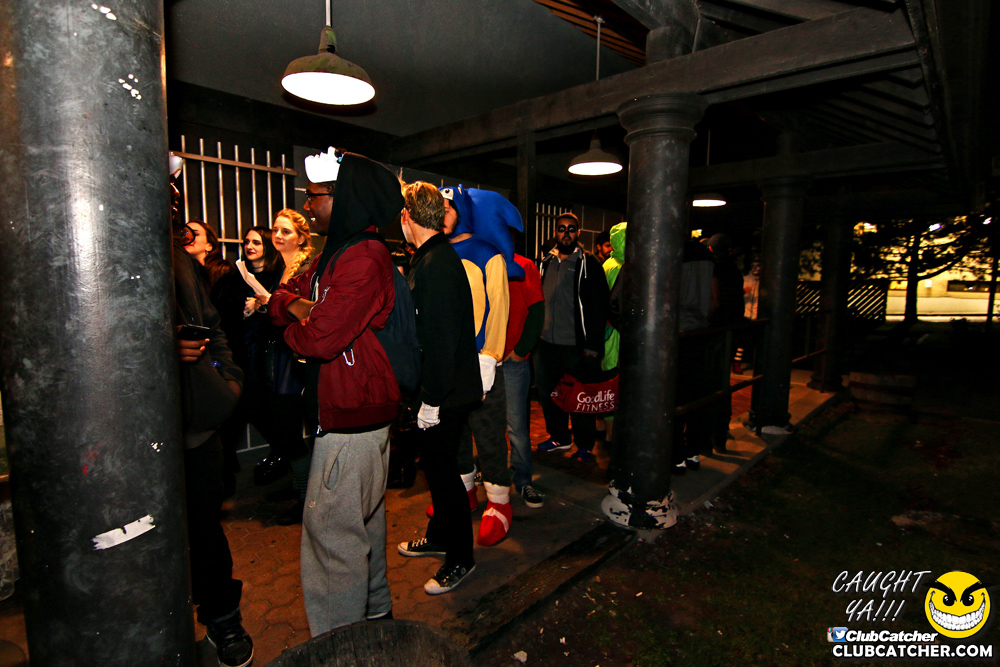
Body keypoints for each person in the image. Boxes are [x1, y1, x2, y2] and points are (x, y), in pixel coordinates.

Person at [268, 147, 402, 634]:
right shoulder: (337, 252)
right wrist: (297, 308)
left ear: (343, 197)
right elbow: (281, 297)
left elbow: (320, 338)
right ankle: (376, 617)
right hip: (349, 406)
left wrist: (298, 321)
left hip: (352, 414)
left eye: (315, 195)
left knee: (331, 537)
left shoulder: (363, 256)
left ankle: (337, 645)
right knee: (363, 522)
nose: (307, 206)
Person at [169, 154, 253, 667]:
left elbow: (213, 325)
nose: (175, 197)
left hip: (197, 427)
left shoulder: (180, 259)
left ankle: (223, 620)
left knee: (204, 531)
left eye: (176, 189)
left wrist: (228, 383)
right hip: (136, 437)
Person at [396, 181, 482, 595]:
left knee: (446, 476)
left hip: (445, 394)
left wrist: (431, 400)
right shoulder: (428, 257)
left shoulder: (437, 263)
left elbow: (443, 340)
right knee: (436, 470)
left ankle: (462, 557)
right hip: (440, 389)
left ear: (408, 216)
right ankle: (439, 537)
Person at [439, 185, 521, 546]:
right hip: (448, 364)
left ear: (462, 211)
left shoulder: (488, 254)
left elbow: (500, 307)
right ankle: (464, 492)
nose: (440, 216)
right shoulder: (436, 253)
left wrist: (490, 356)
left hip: (481, 362)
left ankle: (499, 501)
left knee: (488, 434)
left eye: (447, 209)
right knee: (454, 434)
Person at [534, 213, 610, 463]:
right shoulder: (545, 262)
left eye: (571, 229)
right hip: (546, 345)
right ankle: (559, 437)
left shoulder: (589, 263)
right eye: (561, 228)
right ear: (555, 232)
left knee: (580, 399)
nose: (566, 233)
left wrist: (592, 347)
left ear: (578, 233)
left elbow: (599, 308)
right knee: (549, 397)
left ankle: (585, 445)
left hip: (576, 347)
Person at [252, 209, 315, 494]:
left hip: (297, 357)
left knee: (290, 426)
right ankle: (302, 490)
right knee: (282, 425)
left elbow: (310, 312)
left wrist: (274, 304)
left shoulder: (307, 269)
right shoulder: (278, 268)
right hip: (278, 353)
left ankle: (305, 494)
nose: (277, 235)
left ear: (301, 238)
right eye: (275, 230)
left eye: (285, 231)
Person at [504, 249, 545, 507]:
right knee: (487, 425)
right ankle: (494, 475)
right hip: (485, 358)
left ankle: (522, 479)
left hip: (512, 360)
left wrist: (521, 350)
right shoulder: (480, 258)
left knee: (517, 427)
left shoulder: (524, 265)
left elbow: (537, 310)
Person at [672, 238, 716, 474]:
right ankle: (693, 452)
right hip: (700, 331)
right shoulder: (707, 256)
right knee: (695, 395)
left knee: (675, 395)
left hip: (677, 331)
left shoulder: (676, 251)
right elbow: (714, 299)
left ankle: (676, 455)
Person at [706, 233, 746, 453]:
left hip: (715, 333)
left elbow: (714, 302)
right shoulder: (734, 271)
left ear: (711, 250)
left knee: (709, 384)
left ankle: (711, 434)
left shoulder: (713, 270)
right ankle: (719, 433)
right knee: (722, 384)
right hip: (731, 331)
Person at [600, 222, 627, 455]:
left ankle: (601, 427)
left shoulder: (607, 263)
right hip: (616, 329)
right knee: (614, 379)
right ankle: (611, 434)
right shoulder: (623, 267)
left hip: (603, 329)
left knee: (604, 376)